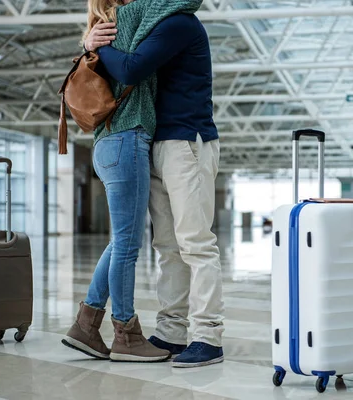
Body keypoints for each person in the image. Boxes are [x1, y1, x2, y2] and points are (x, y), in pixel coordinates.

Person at [85, 2, 225, 368]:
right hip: (156, 143)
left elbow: (131, 69)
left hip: (187, 143)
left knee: (195, 243)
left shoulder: (179, 23)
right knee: (167, 246)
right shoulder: (151, 25)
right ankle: (172, 331)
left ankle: (208, 336)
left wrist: (96, 45)